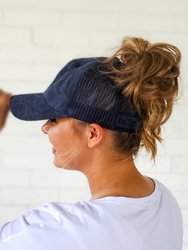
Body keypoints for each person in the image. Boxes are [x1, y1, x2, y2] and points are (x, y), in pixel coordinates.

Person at [0, 37, 183, 250]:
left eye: (53, 119)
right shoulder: (164, 202)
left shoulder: (54, 229)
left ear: (93, 134)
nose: (45, 128)